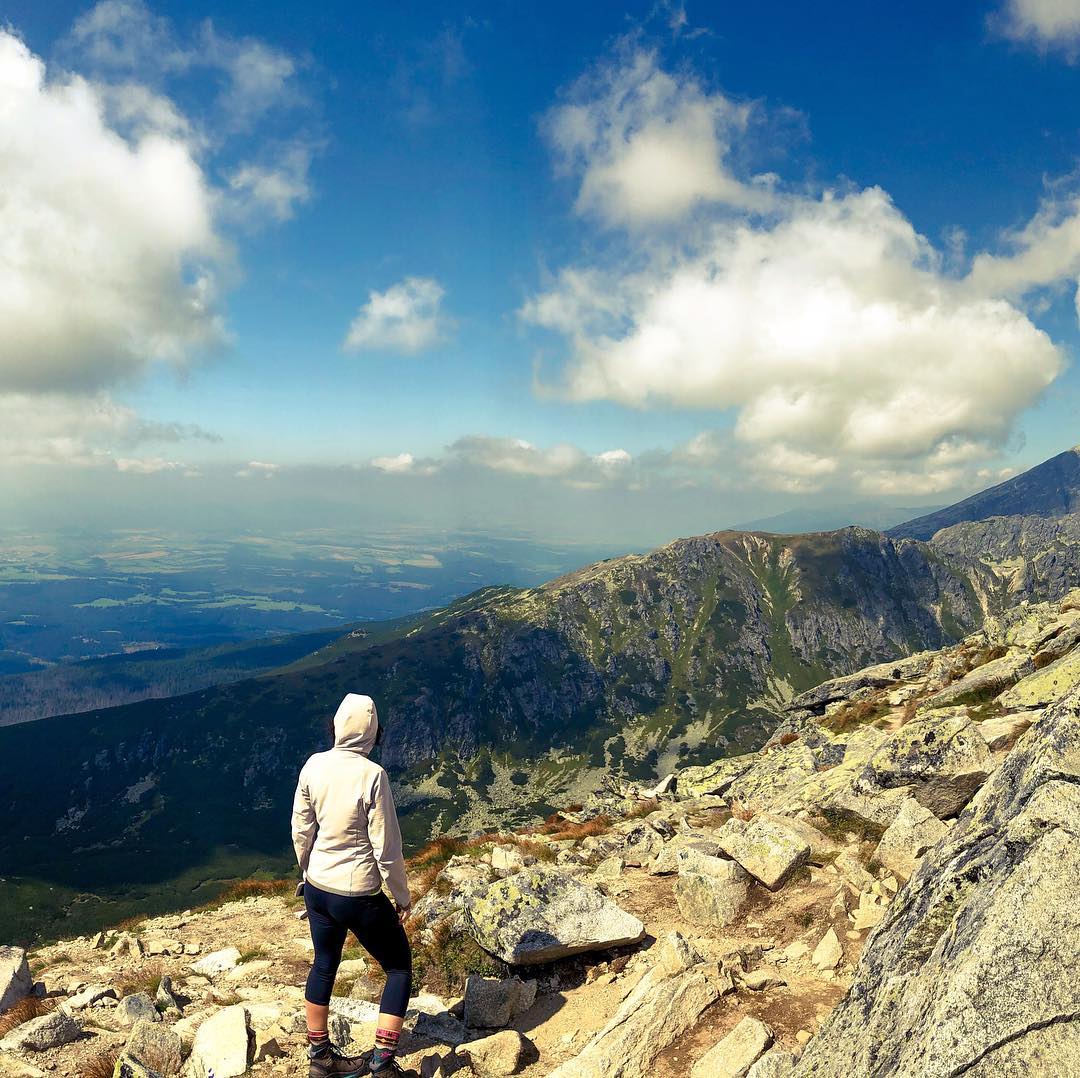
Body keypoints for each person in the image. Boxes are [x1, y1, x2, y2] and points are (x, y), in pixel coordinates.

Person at [292, 693, 414, 1077]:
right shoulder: (372, 775)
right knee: (398, 968)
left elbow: (301, 828)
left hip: (318, 888)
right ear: (374, 733)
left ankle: (320, 1059)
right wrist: (402, 895)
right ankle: (381, 1063)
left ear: (336, 726)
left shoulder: (314, 765)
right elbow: (387, 847)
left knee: (324, 964)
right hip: (358, 892)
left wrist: (308, 871)